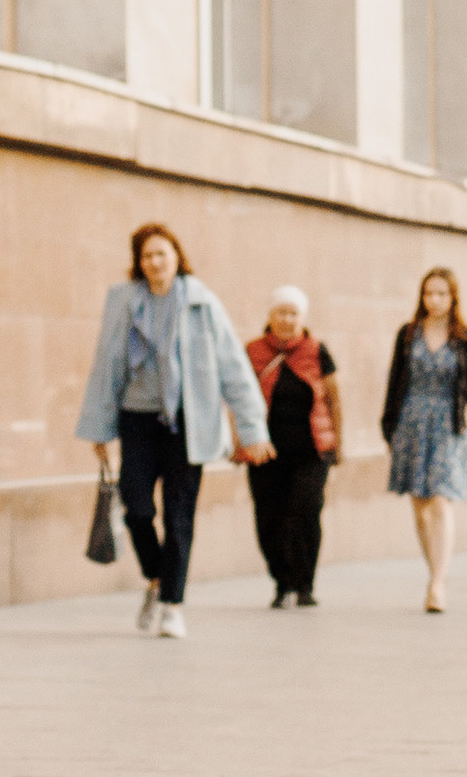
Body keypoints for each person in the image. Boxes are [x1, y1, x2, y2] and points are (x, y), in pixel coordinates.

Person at [76, 221, 272, 639]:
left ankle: (172, 604)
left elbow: (233, 368)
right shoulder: (125, 301)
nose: (154, 262)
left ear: (176, 257)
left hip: (189, 422)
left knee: (179, 517)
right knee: (138, 508)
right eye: (146, 255)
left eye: (161, 253)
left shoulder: (202, 303)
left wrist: (252, 429)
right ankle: (155, 578)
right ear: (138, 262)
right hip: (138, 419)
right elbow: (106, 363)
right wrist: (99, 426)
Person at [381, 266, 467, 612]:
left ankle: (438, 584)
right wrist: (388, 426)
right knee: (421, 508)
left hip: (447, 425)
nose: (434, 300)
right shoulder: (408, 334)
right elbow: (395, 379)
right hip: (411, 422)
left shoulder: (466, 339)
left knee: (440, 502)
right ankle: (433, 571)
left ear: (453, 297)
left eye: (441, 293)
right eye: (429, 293)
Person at [246, 289, 341, 608]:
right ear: (270, 316)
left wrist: (337, 441)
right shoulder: (253, 351)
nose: (287, 319)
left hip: (311, 451)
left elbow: (333, 397)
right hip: (264, 451)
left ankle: (304, 582)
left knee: (305, 510)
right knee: (268, 518)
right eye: (281, 312)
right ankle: (281, 580)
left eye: (293, 313)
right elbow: (239, 400)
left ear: (303, 318)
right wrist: (238, 442)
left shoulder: (317, 351)